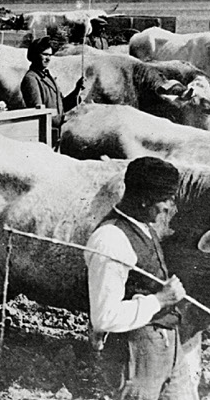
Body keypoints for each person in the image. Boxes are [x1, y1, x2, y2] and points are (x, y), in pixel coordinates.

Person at [85, 157, 196, 400]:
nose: (169, 207)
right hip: (137, 353)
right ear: (144, 199)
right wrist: (160, 299)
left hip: (169, 346)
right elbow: (105, 317)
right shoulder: (110, 240)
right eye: (164, 200)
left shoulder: (144, 225)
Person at [19, 36, 84, 119]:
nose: (48, 59)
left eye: (50, 55)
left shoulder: (48, 77)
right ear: (35, 55)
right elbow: (38, 113)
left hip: (55, 129)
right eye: (45, 54)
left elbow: (62, 105)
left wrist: (77, 91)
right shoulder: (31, 79)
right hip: (45, 130)